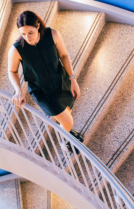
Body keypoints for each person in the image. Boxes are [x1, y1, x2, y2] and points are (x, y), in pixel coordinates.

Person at [8, 10, 83, 153]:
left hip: (61, 81)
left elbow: (64, 55)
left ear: (38, 26)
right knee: (68, 121)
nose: (27, 37)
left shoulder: (52, 34)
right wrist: (19, 90)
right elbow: (12, 71)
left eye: (30, 32)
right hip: (42, 92)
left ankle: (65, 131)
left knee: (67, 111)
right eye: (23, 34)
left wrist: (73, 79)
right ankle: (64, 140)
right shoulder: (17, 49)